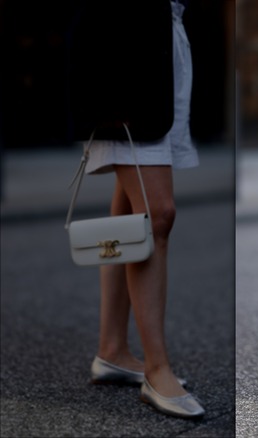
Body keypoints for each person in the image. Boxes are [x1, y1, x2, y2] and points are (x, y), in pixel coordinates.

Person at [85, 0, 204, 419]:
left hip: (163, 46)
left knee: (131, 206)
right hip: (126, 57)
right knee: (158, 214)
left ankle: (112, 349)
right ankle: (157, 369)